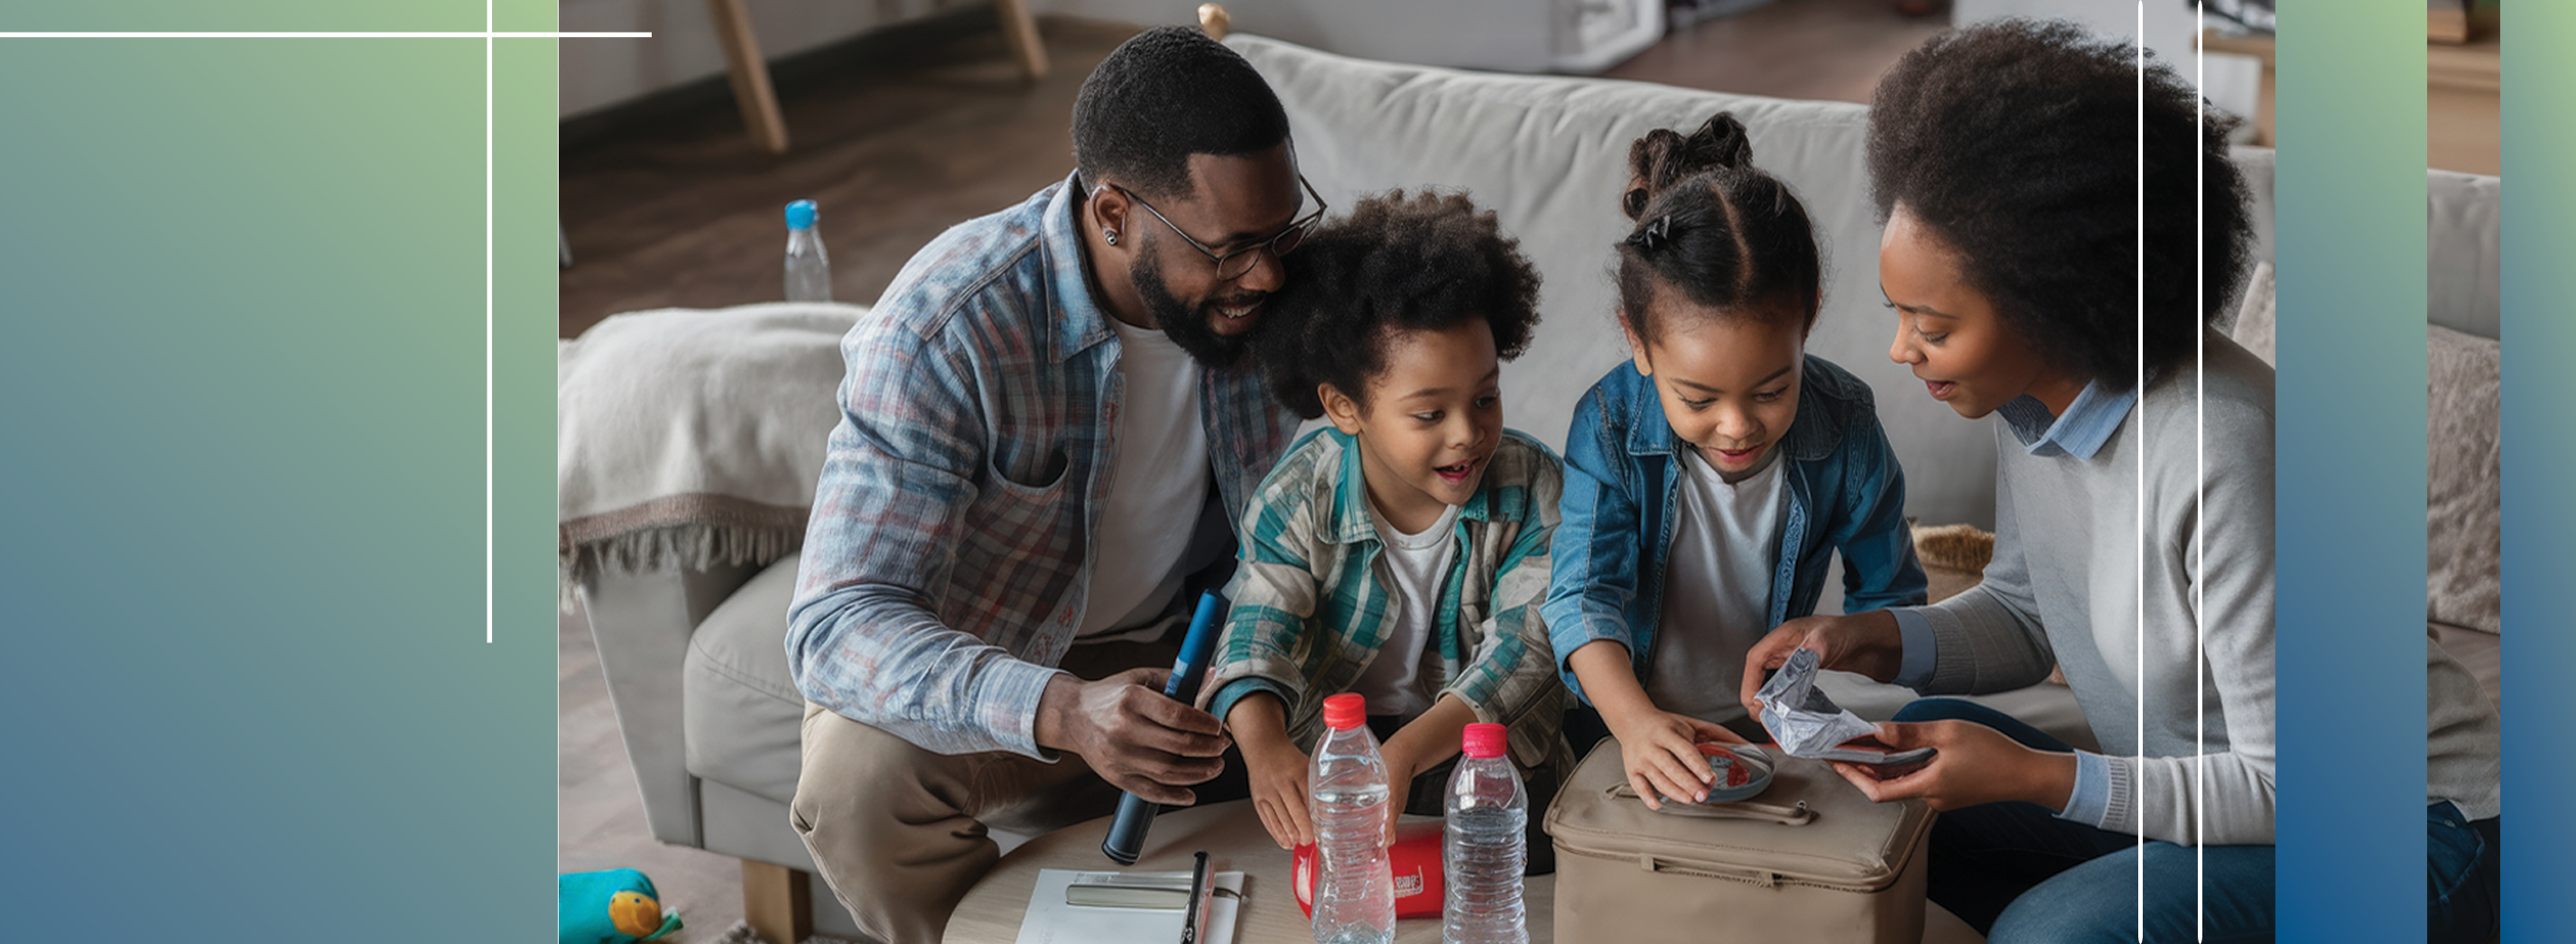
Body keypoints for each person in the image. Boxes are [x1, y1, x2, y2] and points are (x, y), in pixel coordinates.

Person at [1733, 20, 2499, 943]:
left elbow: (2295, 785)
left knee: (2052, 932)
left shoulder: (2222, 448)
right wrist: (1864, 637)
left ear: (2050, 297)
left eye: (1931, 326)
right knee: (1910, 757)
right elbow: (2025, 613)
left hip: (2412, 834)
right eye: (1901, 316)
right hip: (2223, 814)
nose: (1902, 351)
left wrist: (2034, 775)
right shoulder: (2033, 401)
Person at [783, 26, 1325, 943]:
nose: (1266, 274)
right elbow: (836, 624)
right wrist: (1063, 706)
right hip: (1007, 669)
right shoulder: (946, 328)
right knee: (855, 786)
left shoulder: (1279, 283)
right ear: (1113, 216)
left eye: (1280, 233)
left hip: (1205, 654)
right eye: (1230, 248)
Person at [1539, 114, 1928, 810]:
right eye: (1697, 398)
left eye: (1773, 389)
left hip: (1768, 733)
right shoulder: (1609, 424)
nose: (1738, 424)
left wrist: (1837, 645)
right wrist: (1635, 724)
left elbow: (1894, 603)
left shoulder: (1846, 425)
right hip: (1618, 721)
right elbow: (1582, 597)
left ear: (1809, 316)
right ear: (1640, 342)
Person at [1193, 190, 1567, 857]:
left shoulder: (1532, 484)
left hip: (1477, 751)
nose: (1468, 434)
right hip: (1335, 750)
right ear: (1344, 407)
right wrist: (1266, 746)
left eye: (1486, 397)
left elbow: (1524, 650)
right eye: (1429, 414)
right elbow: (1256, 626)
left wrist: (1402, 754)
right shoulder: (1296, 496)